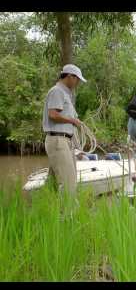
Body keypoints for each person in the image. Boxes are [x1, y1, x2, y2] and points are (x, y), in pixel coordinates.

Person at [43, 64, 86, 194]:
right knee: (68, 183)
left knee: (53, 184)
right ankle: (68, 214)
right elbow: (53, 114)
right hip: (58, 140)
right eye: (77, 79)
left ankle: (48, 210)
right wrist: (73, 120)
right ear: (69, 76)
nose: (78, 82)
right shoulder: (57, 91)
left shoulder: (66, 94)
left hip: (64, 141)